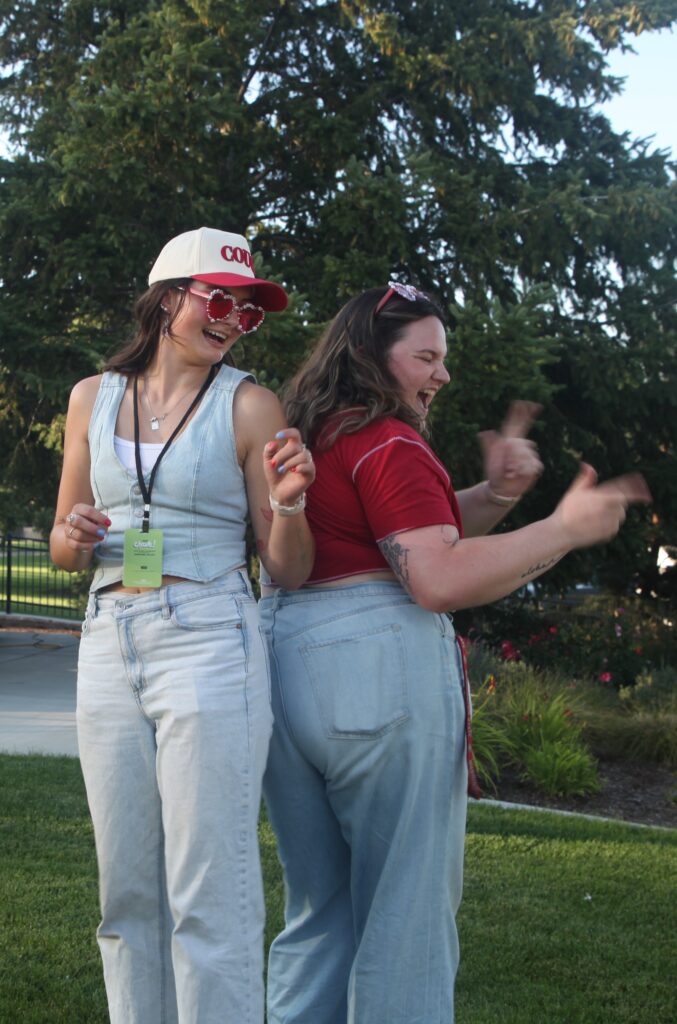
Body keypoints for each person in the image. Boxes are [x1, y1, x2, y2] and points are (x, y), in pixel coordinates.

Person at [259, 281, 650, 1024]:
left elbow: (402, 529)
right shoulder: (391, 439)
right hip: (376, 672)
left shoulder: (318, 430)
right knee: (405, 913)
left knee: (319, 911)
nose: (441, 375)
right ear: (373, 356)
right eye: (426, 357)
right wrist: (564, 529)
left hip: (288, 661)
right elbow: (434, 578)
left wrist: (497, 495)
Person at [49, 227, 315, 1024]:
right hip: (108, 636)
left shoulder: (250, 403)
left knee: (209, 890)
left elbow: (287, 568)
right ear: (167, 297)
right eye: (218, 299)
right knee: (125, 891)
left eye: (247, 310)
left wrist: (294, 503)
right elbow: (63, 539)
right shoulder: (91, 397)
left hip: (208, 634)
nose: (232, 318)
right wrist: (74, 536)